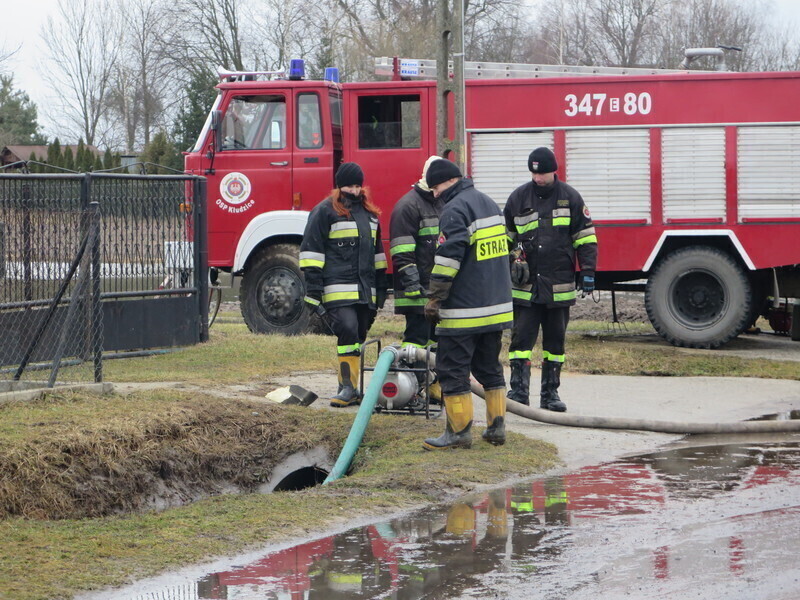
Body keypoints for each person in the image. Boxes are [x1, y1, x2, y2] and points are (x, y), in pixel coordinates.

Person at [422, 159, 513, 450]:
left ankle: (458, 432)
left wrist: (435, 296)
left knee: (452, 369)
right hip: (495, 307)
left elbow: (449, 258)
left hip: (463, 311)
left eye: (435, 188)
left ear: (447, 182)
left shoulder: (455, 209)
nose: (434, 194)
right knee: (489, 367)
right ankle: (496, 428)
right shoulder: (489, 204)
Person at [504, 147, 597, 412]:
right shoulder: (518, 198)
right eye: (533, 173)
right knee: (520, 343)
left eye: (542, 173)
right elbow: (505, 241)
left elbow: (586, 239)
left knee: (555, 344)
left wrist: (588, 272)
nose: (537, 178)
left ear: (553, 170)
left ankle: (550, 395)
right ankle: (518, 391)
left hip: (559, 285)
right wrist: (513, 260)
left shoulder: (571, 198)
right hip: (526, 287)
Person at [300, 162, 388, 407]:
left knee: (358, 334)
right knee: (348, 329)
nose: (355, 190)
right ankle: (346, 387)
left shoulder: (370, 216)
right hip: (336, 289)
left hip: (364, 290)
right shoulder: (324, 212)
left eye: (359, 185)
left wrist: (381, 288)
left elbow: (378, 254)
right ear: (339, 186)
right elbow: (311, 254)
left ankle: (353, 389)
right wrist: (314, 292)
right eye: (350, 185)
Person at [389, 155, 445, 402]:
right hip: (416, 290)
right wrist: (414, 287)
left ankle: (432, 387)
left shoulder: (442, 202)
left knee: (436, 340)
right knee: (416, 342)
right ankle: (409, 390)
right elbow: (402, 251)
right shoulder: (408, 206)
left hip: (435, 289)